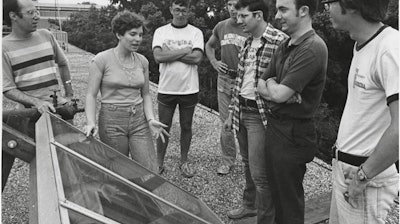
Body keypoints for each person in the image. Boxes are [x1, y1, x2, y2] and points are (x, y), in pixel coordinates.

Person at [323, 0, 399, 223]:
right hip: (349, 170)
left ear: (352, 5)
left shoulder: (390, 48)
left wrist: (363, 176)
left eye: (330, 2)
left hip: (365, 178)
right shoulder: (361, 44)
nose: (326, 8)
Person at [256, 0, 328, 223]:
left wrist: (275, 88)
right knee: (276, 197)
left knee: (289, 205)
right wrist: (276, 87)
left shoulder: (312, 48)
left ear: (303, 11)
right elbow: (259, 83)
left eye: (283, 9)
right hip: (276, 128)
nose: (277, 15)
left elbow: (276, 95)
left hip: (294, 133)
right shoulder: (285, 45)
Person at [223, 0, 288, 221]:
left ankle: (265, 219)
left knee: (261, 175)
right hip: (241, 110)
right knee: (248, 165)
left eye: (243, 16)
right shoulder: (247, 41)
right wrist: (232, 111)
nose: (237, 19)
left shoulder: (281, 41)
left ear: (258, 15)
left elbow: (286, 84)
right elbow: (241, 81)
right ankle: (249, 206)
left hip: (261, 116)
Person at [2, 0, 74, 190]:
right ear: (13, 16)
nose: (37, 16)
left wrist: (69, 94)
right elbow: (7, 88)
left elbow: (63, 64)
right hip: (32, 118)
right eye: (31, 12)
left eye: (37, 11)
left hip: (61, 113)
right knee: (46, 166)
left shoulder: (46, 35)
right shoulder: (3, 48)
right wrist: (36, 103)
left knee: (70, 160)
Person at [85, 11, 168, 173]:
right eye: (132, 34)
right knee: (118, 170)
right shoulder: (101, 59)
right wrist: (90, 122)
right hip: (111, 121)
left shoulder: (142, 61)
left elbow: (145, 95)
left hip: (139, 120)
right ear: (118, 34)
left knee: (149, 170)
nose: (138, 39)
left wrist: (151, 119)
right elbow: (91, 94)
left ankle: (147, 198)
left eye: (140, 35)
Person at [152, 0, 204, 178]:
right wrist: (185, 50)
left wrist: (171, 53)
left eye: (183, 10)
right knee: (163, 127)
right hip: (167, 88)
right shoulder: (161, 31)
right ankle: (158, 162)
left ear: (189, 11)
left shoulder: (196, 32)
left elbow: (197, 58)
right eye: (177, 10)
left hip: (189, 88)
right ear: (170, 10)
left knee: (186, 126)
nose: (180, 13)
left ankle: (184, 161)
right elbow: (158, 56)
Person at [205, 0, 247, 175]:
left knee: (244, 124)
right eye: (229, 4)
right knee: (225, 124)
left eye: (236, 5)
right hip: (224, 80)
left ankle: (248, 162)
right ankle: (228, 160)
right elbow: (209, 45)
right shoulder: (221, 26)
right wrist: (214, 62)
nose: (232, 9)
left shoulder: (248, 26)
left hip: (244, 82)